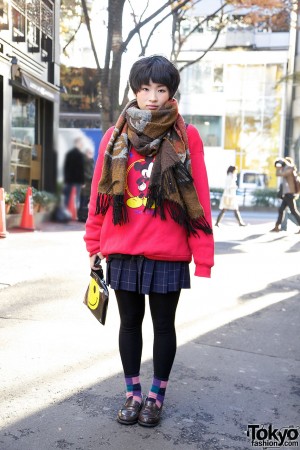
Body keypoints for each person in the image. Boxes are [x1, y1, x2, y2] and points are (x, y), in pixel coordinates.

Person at [84, 55, 214, 427]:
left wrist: (203, 254)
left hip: (168, 251)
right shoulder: (116, 136)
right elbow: (99, 195)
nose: (153, 97)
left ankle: (156, 396)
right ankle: (132, 393)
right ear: (135, 91)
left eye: (161, 89)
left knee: (163, 326)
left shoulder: (186, 136)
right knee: (128, 324)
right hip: (122, 248)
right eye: (145, 89)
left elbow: (200, 197)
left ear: (171, 92)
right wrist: (93, 244)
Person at [270, 157, 300, 234]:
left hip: (290, 193)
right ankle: (277, 226)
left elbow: (279, 174)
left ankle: (277, 226)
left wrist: (278, 167)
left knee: (293, 211)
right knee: (281, 210)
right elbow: (279, 174)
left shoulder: (290, 168)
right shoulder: (286, 168)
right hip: (287, 193)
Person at [63, 137, 85, 210]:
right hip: (77, 180)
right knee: (76, 196)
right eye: (81, 143)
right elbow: (81, 169)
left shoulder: (69, 154)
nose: (82, 145)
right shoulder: (80, 155)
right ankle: (74, 213)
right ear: (77, 143)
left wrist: (66, 179)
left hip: (69, 179)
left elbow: (66, 167)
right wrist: (82, 181)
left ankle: (66, 211)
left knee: (67, 196)